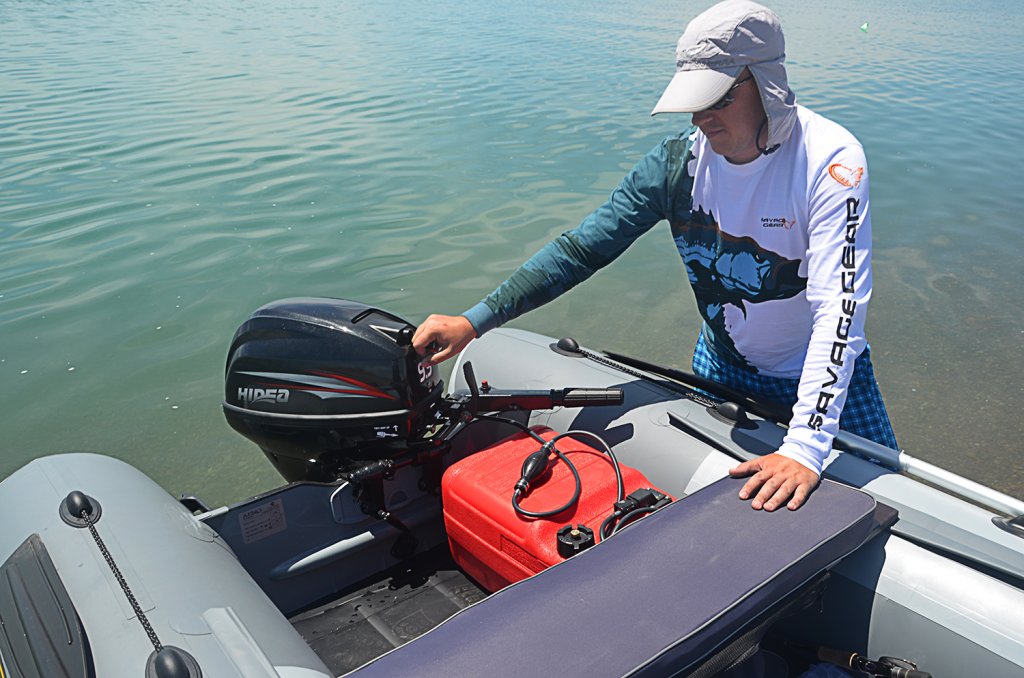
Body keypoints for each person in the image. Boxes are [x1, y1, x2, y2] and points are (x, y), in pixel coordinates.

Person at [412, 0, 898, 511]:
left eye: (715, 99)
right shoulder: (674, 167)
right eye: (694, 100)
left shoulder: (830, 162)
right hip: (721, 366)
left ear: (765, 82)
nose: (699, 117)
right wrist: (474, 321)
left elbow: (838, 308)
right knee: (723, 511)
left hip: (819, 373)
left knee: (891, 506)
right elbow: (580, 250)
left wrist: (805, 446)